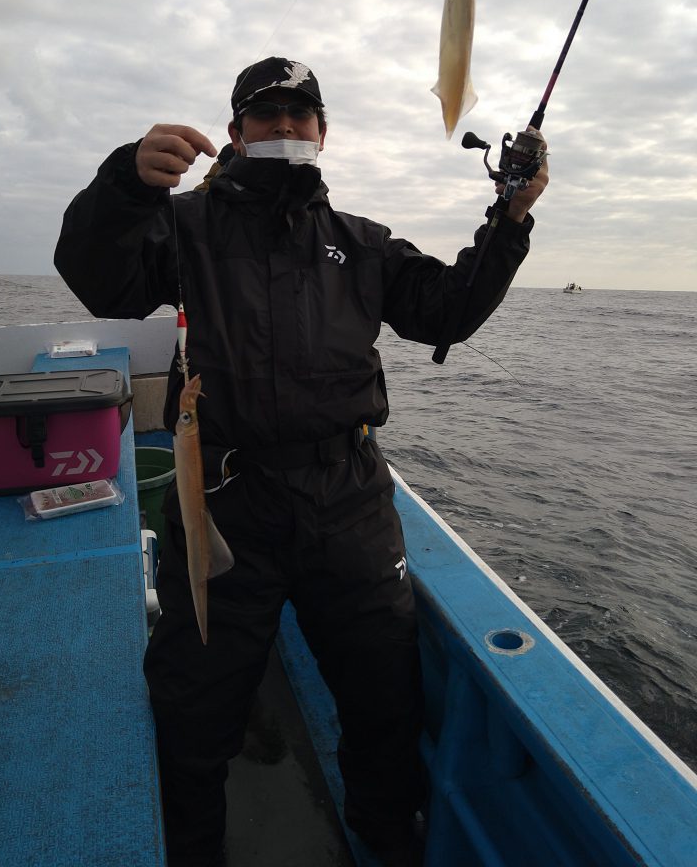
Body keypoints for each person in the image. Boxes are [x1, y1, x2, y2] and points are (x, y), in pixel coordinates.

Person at [54, 56, 548, 867]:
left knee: (384, 696)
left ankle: (385, 837)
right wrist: (125, 183)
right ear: (236, 131)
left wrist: (511, 217)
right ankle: (193, 850)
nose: (284, 126)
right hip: (224, 497)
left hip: (348, 501)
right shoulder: (183, 226)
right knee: (195, 701)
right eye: (265, 114)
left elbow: (447, 311)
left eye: (300, 114)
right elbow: (102, 282)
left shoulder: (362, 243)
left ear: (323, 132)